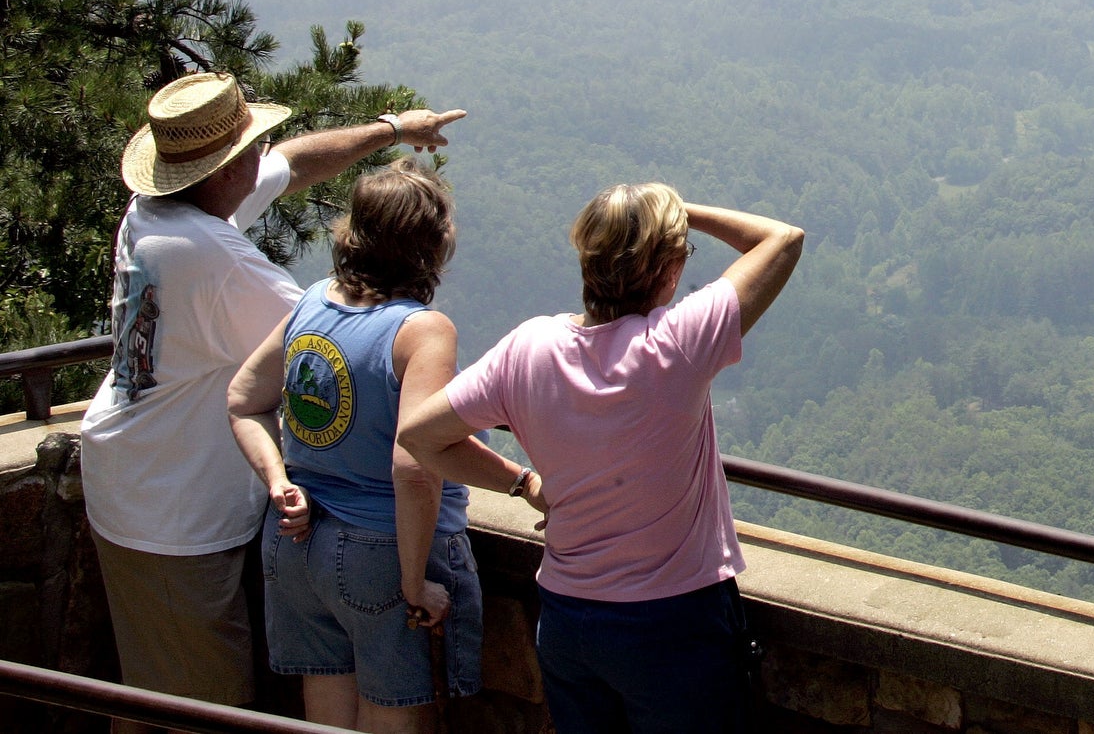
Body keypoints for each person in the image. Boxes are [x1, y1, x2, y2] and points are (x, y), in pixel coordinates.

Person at [79, 71, 463, 728]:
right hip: (172, 510)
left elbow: (292, 165)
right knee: (203, 705)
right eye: (253, 143)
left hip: (136, 471)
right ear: (225, 167)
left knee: (152, 685)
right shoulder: (209, 256)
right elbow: (338, 345)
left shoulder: (162, 210)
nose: (265, 152)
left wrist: (394, 129)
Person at [400, 184, 804, 734]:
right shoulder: (677, 344)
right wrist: (684, 211)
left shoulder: (530, 348)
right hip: (676, 619)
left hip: (570, 618)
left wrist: (523, 483)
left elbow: (422, 436)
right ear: (667, 267)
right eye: (682, 253)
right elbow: (782, 239)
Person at [228, 158, 507, 732]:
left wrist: (281, 484)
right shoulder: (421, 331)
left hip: (295, 544)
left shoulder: (311, 303)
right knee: (397, 714)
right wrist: (413, 582)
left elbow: (243, 399)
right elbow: (414, 463)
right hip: (380, 551)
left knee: (327, 705)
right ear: (432, 246)